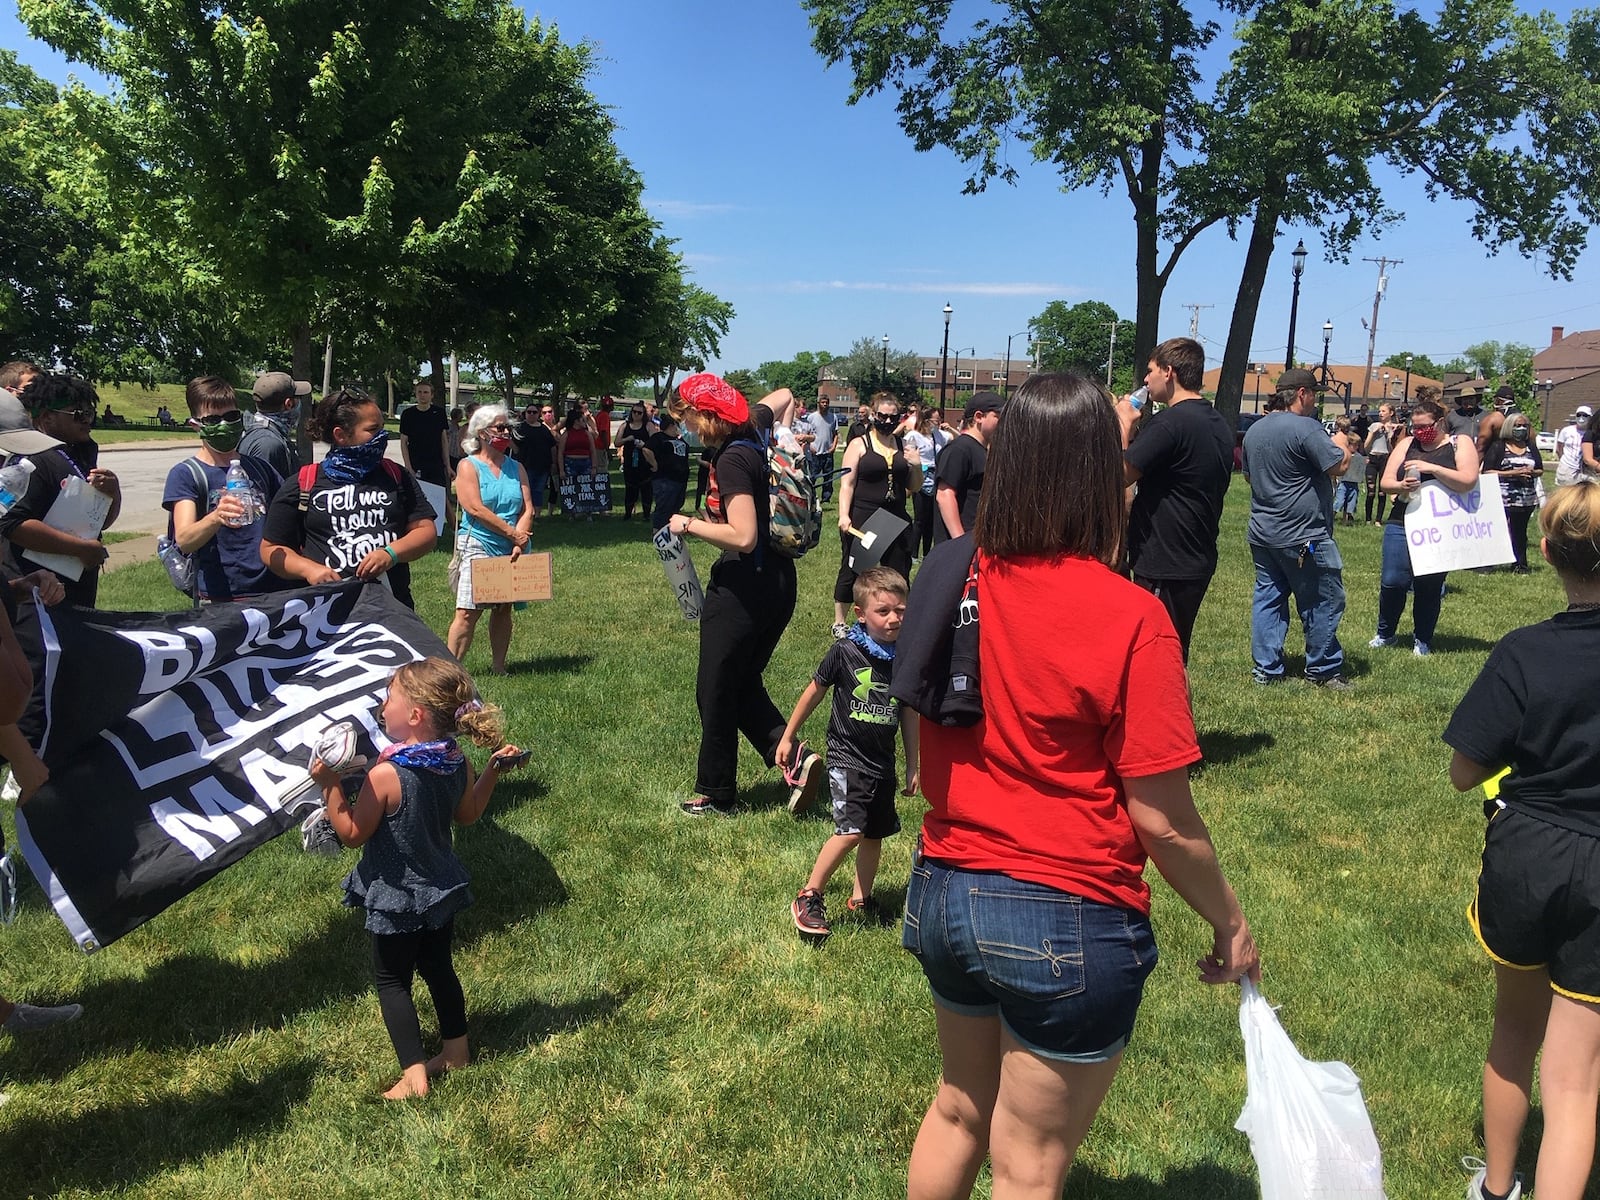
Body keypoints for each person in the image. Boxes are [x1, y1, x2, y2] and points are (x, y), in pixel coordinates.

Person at [903, 372, 1259, 1200]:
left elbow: (919, 717)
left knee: (958, 1109)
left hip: (946, 888)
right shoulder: (1131, 616)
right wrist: (1230, 919)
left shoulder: (951, 576)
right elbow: (1162, 821)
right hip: (1066, 909)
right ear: (1106, 471)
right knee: (1027, 1164)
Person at [1442, 481, 1600, 1200]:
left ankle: (1496, 1188)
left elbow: (1462, 770)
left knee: (1514, 1036)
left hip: (1528, 851)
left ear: (1544, 553)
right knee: (1575, 1080)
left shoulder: (1523, 651)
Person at [307, 657, 525, 1099]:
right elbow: (468, 815)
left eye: (388, 697)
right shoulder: (453, 762)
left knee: (392, 980)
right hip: (440, 889)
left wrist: (328, 783)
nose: (381, 705)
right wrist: (492, 771)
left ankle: (413, 1074)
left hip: (396, 895)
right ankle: (456, 1051)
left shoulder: (387, 774)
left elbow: (350, 834)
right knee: (439, 968)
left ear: (414, 716)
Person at [663, 373, 797, 816]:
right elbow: (784, 396)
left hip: (745, 586)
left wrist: (689, 524)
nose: (685, 428)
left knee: (716, 690)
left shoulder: (733, 460)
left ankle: (717, 794)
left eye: (686, 419)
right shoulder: (754, 428)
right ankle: (796, 759)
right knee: (741, 682)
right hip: (779, 581)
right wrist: (787, 432)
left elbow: (742, 535)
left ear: (707, 416)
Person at [777, 566, 919, 936]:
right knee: (852, 830)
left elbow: (908, 713)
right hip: (847, 758)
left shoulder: (905, 657)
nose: (893, 619)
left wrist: (912, 764)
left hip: (882, 763)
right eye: (883, 611)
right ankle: (809, 894)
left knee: (874, 833)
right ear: (860, 613)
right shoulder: (845, 650)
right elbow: (814, 692)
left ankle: (861, 898)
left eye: (901, 611)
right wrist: (788, 736)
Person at [259, 388, 437, 609]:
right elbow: (271, 549)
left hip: (392, 608)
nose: (382, 435)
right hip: (325, 613)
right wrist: (310, 570)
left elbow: (426, 531)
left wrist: (391, 554)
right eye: (373, 430)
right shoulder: (304, 483)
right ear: (341, 435)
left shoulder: (396, 475)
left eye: (382, 428)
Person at [1118, 337, 1233, 663]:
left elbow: (1119, 475)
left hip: (1165, 559)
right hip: (1195, 553)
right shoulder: (1215, 422)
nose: (1145, 379)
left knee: (1156, 656)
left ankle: (1169, 714)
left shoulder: (1170, 423)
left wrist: (1123, 424)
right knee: (1172, 650)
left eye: (1151, 370)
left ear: (1169, 372)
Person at [1240, 367, 1352, 688]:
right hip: (1306, 537)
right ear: (1302, 394)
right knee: (1323, 596)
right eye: (1314, 394)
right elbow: (1338, 464)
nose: (1316, 402)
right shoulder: (1306, 428)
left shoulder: (1255, 431)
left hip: (1263, 533)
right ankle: (1323, 668)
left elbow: (1248, 477)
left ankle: (1266, 669)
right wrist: (1342, 442)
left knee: (1269, 597)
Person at [162, 376, 291, 603]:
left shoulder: (261, 468)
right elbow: (184, 539)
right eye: (213, 420)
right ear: (196, 425)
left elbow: (289, 516)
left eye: (231, 417)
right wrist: (216, 517)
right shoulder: (186, 474)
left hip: (272, 591)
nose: (224, 425)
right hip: (221, 596)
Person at [0, 374, 121, 608]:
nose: (87, 420)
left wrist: (113, 493)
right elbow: (12, 523)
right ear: (47, 417)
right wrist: (81, 548)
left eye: (90, 412)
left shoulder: (78, 454)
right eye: (77, 413)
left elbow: (99, 522)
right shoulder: (32, 460)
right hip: (36, 590)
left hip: (74, 587)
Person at [1371, 397, 1481, 656]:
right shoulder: (1408, 443)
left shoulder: (1458, 443)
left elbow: (1468, 480)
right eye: (1415, 426)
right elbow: (1386, 481)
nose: (1419, 431)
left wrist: (1431, 468)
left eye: (1424, 426)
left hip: (1439, 524)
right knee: (1393, 581)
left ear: (1440, 422)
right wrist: (1400, 486)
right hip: (1402, 519)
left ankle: (1422, 639)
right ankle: (1385, 634)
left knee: (1429, 584)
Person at [446, 405, 533, 675]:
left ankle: (499, 666)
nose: (506, 432)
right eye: (500, 427)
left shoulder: (516, 468)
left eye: (507, 427)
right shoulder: (467, 466)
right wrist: (511, 533)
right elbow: (474, 508)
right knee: (468, 611)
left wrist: (519, 541)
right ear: (481, 432)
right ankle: (450, 672)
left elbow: (527, 507)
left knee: (503, 608)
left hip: (512, 547)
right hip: (478, 542)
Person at [834, 391, 919, 638]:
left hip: (897, 518)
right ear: (874, 415)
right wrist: (843, 515)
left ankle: (897, 619)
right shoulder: (860, 444)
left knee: (898, 573)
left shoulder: (903, 446)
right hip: (864, 517)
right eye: (882, 415)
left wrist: (915, 465)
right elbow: (847, 484)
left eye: (893, 416)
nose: (888, 420)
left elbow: (913, 487)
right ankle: (840, 621)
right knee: (855, 569)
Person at [932, 392, 1003, 544]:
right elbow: (945, 495)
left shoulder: (983, 450)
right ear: (979, 417)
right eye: (998, 416)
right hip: (961, 545)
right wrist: (960, 542)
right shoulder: (960, 449)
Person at [1483, 412, 1543, 574]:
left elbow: (1540, 469)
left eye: (1524, 425)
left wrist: (1531, 472)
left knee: (1520, 533)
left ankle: (1520, 564)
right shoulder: (1498, 446)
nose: (1521, 429)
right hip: (1502, 498)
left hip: (1525, 499)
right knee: (1497, 530)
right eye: (1517, 426)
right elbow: (1487, 471)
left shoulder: (1530, 446)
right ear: (1509, 427)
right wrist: (1513, 473)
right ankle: (1489, 564)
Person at [904, 402, 953, 559]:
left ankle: (927, 553)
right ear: (925, 420)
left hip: (936, 478)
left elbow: (959, 439)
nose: (938, 423)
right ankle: (913, 553)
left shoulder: (939, 435)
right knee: (919, 519)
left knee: (931, 520)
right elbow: (908, 456)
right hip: (921, 477)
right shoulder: (913, 436)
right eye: (935, 421)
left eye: (939, 420)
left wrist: (950, 428)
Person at [242, 370, 309, 477]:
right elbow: (265, 491)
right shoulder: (268, 444)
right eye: (298, 398)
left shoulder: (265, 433)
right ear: (289, 404)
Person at [642, 411, 691, 532]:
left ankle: (671, 530)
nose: (677, 428)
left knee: (676, 505)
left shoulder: (681, 439)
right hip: (665, 478)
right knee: (664, 506)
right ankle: (658, 530)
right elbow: (646, 450)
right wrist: (654, 464)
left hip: (680, 478)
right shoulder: (658, 438)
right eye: (676, 425)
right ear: (671, 426)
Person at [399, 379, 452, 489]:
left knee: (438, 497)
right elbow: (403, 442)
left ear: (431, 395)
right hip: (416, 463)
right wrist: (408, 466)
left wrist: (448, 466)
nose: (422, 395)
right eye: (419, 392)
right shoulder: (408, 414)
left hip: (436, 464)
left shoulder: (439, 413)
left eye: (426, 392)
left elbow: (444, 440)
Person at [511, 402, 558, 518]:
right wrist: (518, 453)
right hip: (525, 465)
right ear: (525, 414)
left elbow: (552, 446)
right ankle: (526, 513)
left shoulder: (544, 429)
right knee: (526, 490)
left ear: (538, 414)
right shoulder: (520, 428)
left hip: (543, 465)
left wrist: (554, 463)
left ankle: (537, 514)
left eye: (534, 412)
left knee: (539, 490)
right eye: (529, 412)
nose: (532, 414)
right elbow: (513, 444)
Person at [613, 401, 657, 521]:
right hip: (630, 461)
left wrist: (644, 445)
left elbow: (656, 442)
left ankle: (646, 514)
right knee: (630, 488)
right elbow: (616, 442)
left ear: (643, 414)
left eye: (639, 412)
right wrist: (627, 439)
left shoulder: (648, 425)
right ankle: (628, 513)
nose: (636, 415)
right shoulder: (625, 425)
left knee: (646, 488)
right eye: (634, 412)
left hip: (645, 461)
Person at [557, 407, 602, 518]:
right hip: (570, 462)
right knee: (571, 487)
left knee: (586, 487)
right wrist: (562, 470)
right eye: (582, 420)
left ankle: (588, 512)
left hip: (585, 461)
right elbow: (560, 453)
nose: (584, 422)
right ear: (576, 421)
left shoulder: (587, 434)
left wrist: (594, 467)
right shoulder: (566, 434)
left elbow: (592, 450)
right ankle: (572, 512)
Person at [1363, 402, 1403, 524]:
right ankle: (1368, 519)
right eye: (1379, 411)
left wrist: (1389, 435)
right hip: (1373, 458)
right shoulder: (1374, 425)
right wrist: (1374, 433)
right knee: (1370, 491)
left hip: (1385, 459)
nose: (1380, 413)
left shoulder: (1394, 428)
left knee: (1382, 491)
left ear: (1390, 413)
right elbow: (1366, 446)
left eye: (1383, 411)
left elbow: (1393, 449)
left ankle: (1378, 520)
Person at [797, 395, 838, 505]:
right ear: (818, 403)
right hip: (815, 452)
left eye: (827, 402)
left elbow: (835, 434)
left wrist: (833, 446)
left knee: (828, 477)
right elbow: (807, 433)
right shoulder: (812, 417)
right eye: (823, 402)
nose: (825, 404)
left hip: (828, 452)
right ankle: (811, 496)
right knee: (813, 477)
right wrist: (810, 446)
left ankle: (826, 498)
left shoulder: (833, 417)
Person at [1332, 415, 1363, 525]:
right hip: (1341, 480)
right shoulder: (1337, 444)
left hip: (1353, 481)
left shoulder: (1358, 455)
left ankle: (1346, 519)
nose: (1356, 447)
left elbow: (1360, 467)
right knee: (1339, 499)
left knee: (1351, 501)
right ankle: (1332, 516)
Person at [1554, 405, 1591, 486]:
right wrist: (1563, 461)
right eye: (1579, 415)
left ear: (1590, 417)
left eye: (1585, 415)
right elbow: (1559, 448)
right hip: (1567, 467)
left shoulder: (1592, 433)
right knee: (1565, 493)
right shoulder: (1566, 430)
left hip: (1585, 469)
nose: (1581, 417)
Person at [1477, 384, 1518, 455]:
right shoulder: (1523, 420)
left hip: (1496, 459)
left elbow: (1481, 447)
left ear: (1499, 401)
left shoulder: (1494, 418)